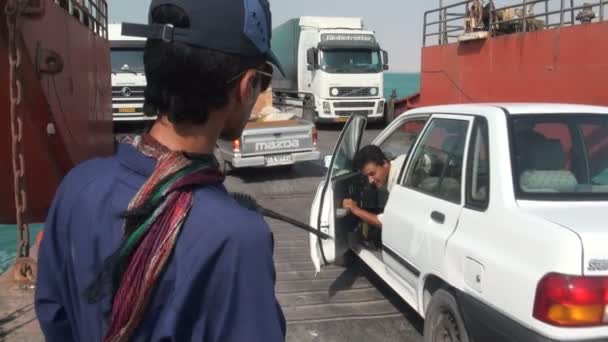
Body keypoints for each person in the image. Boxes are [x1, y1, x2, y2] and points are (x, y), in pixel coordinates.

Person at [34, 0, 286, 341]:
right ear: (246, 85)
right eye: (263, 80)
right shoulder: (238, 239)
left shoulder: (78, 185)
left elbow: (54, 312)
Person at [342, 145, 406, 228]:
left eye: (372, 174)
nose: (370, 181)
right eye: (367, 176)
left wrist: (354, 209)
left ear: (384, 163)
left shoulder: (397, 185)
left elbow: (385, 222)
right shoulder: (402, 160)